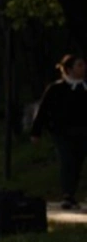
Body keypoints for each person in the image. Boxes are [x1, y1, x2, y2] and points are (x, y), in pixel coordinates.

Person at [30, 53, 87, 210]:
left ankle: (72, 194)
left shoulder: (85, 88)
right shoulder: (56, 89)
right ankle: (67, 195)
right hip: (61, 132)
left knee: (78, 161)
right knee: (67, 159)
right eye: (79, 65)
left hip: (82, 131)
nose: (83, 68)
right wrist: (36, 132)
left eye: (83, 65)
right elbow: (43, 110)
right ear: (69, 69)